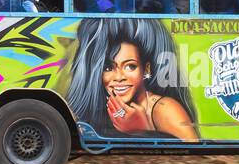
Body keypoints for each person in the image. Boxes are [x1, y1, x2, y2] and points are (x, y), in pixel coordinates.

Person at [67, 19, 198, 141]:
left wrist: (142, 129)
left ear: (145, 69)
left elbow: (192, 153)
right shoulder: (100, 106)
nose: (119, 77)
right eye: (108, 68)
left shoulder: (165, 109)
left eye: (130, 66)